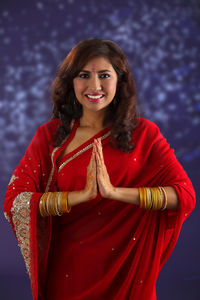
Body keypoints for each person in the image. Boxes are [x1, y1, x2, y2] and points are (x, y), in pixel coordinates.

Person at [4, 38, 195, 300]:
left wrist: (115, 192)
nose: (95, 86)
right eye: (84, 75)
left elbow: (184, 196)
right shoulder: (50, 138)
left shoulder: (145, 135)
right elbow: (15, 201)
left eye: (104, 75)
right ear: (72, 82)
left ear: (120, 80)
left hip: (126, 275)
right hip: (68, 274)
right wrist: (79, 197)